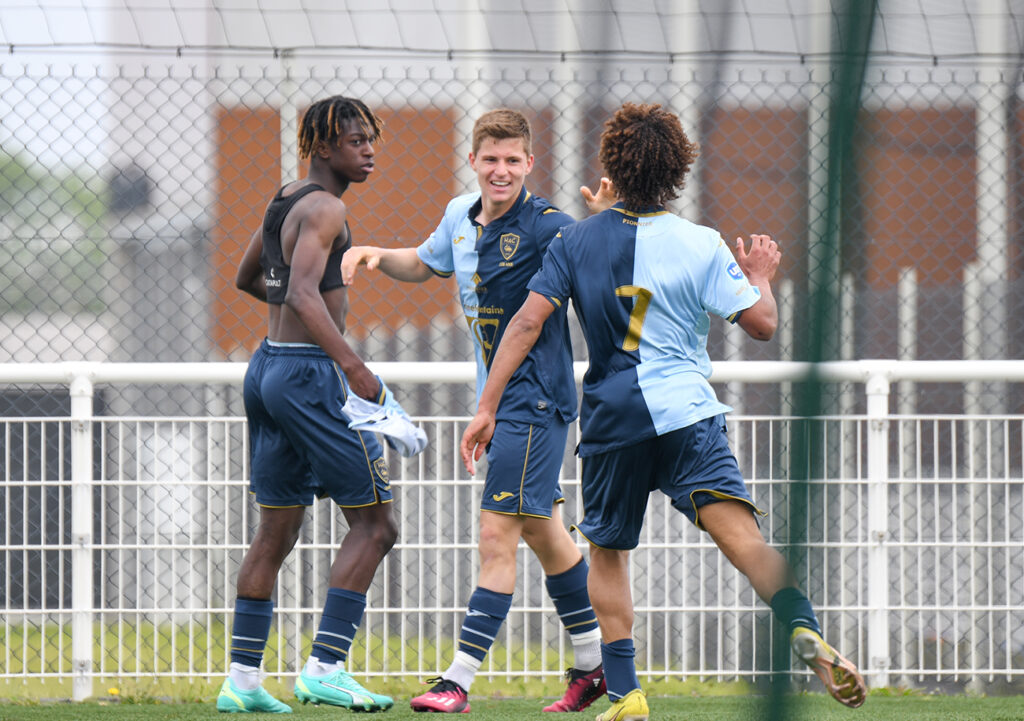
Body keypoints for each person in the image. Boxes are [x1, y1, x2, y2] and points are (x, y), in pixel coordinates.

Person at [460, 102, 867, 721]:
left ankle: (625, 694)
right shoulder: (700, 242)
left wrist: (487, 406)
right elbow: (761, 324)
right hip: (688, 415)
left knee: (608, 553)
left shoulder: (575, 240)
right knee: (744, 539)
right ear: (677, 169)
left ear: (613, 167)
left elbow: (525, 323)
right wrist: (758, 275)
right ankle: (801, 627)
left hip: (613, 420)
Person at [341, 108, 615, 714]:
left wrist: (605, 223)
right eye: (490, 159)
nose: (501, 170)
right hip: (502, 401)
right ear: (473, 161)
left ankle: (457, 681)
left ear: (530, 165)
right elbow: (427, 262)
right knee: (544, 534)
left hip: (533, 401)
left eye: (513, 160)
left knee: (497, 534)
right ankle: (596, 665)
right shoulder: (458, 217)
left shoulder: (548, 226)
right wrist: (377, 254)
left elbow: (604, 264)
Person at [217, 95, 407, 714]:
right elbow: (299, 289)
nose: (369, 149)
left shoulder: (288, 197)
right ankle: (325, 667)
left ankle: (242, 683)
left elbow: (252, 279)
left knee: (276, 529)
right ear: (323, 148)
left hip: (267, 367)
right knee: (377, 524)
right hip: (308, 377)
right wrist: (354, 367)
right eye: (356, 141)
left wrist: (312, 294)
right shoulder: (326, 207)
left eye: (370, 139)